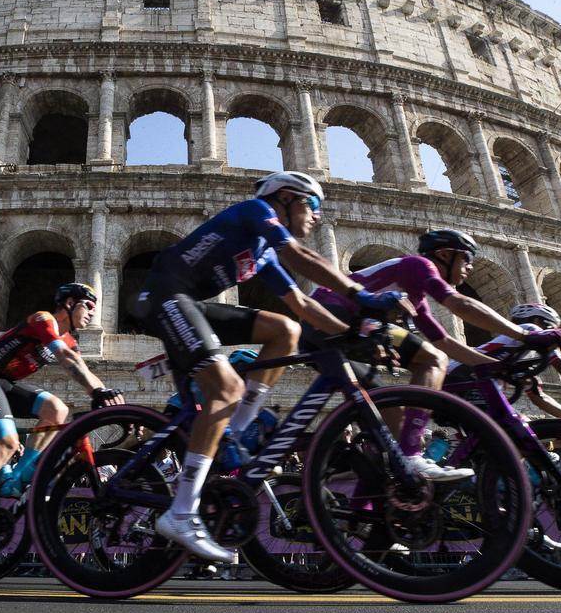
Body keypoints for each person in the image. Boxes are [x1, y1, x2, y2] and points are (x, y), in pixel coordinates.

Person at [131, 170, 404, 563]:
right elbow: (301, 256)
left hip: (190, 303)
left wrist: (355, 334)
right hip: (162, 297)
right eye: (312, 205)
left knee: (286, 329)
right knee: (226, 386)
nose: (317, 216)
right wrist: (363, 296)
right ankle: (182, 512)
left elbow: (305, 306)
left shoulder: (265, 254)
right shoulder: (255, 210)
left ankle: (237, 430)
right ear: (288, 199)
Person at [307, 230, 560, 480]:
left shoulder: (416, 298)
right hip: (334, 316)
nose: (470, 268)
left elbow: (445, 342)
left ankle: (384, 487)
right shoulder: (418, 265)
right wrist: (524, 335)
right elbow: (460, 305)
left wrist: (499, 368)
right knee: (432, 361)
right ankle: (412, 454)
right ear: (444, 254)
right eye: (466, 259)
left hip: (325, 331)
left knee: (389, 417)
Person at [0, 282, 123, 558]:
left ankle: (18, 479)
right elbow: (65, 359)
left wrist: (111, 399)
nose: (92, 313)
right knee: (5, 442)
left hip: (4, 383)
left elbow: (80, 366)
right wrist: (97, 391)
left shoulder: (71, 340)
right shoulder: (44, 319)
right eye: (87, 306)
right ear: (68, 303)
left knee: (57, 410)